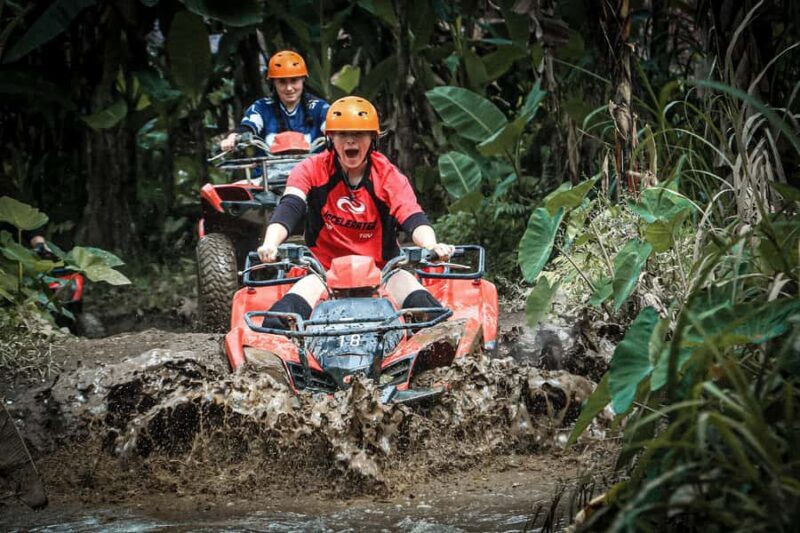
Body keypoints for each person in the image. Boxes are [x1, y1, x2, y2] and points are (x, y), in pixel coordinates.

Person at [257, 96, 454, 327]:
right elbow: (290, 206)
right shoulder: (310, 169)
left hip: (384, 271)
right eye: (342, 134)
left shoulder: (389, 176)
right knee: (276, 321)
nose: (350, 141)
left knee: (433, 317)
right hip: (324, 272)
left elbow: (412, 216)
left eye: (359, 134)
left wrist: (431, 246)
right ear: (330, 138)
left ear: (373, 139)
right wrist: (270, 243)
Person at [220, 50, 329, 151]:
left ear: (303, 80)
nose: (289, 88)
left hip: (311, 170)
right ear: (273, 83)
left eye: (294, 80)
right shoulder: (261, 108)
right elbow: (248, 126)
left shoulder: (319, 107)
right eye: (282, 82)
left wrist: (331, 133)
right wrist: (233, 137)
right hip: (267, 170)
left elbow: (330, 125)